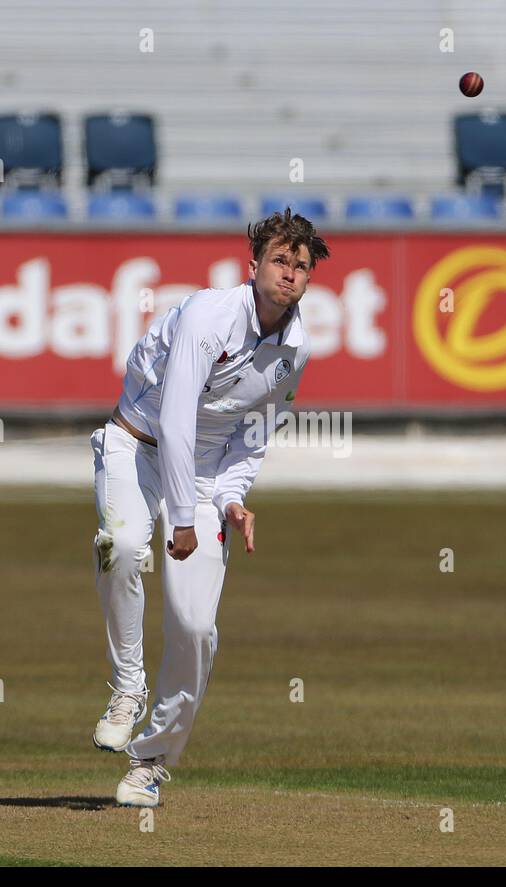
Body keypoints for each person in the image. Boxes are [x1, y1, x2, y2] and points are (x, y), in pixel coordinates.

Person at [88, 208, 331, 807]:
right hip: (134, 448)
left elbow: (254, 437)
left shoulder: (295, 350)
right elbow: (174, 420)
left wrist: (229, 499)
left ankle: (149, 763)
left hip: (200, 482)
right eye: (280, 260)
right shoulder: (208, 315)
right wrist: (182, 519)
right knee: (121, 547)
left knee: (196, 630)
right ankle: (127, 685)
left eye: (301, 266)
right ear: (254, 265)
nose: (290, 274)